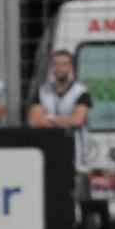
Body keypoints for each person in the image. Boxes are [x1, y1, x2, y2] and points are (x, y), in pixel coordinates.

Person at [28, 50, 92, 205]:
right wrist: (64, 120)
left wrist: (48, 118)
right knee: (52, 200)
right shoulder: (42, 91)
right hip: (49, 153)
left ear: (70, 67)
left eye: (64, 64)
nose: (60, 68)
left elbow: (78, 120)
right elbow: (34, 121)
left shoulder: (81, 92)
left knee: (78, 201)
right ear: (52, 67)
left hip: (76, 155)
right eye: (56, 64)